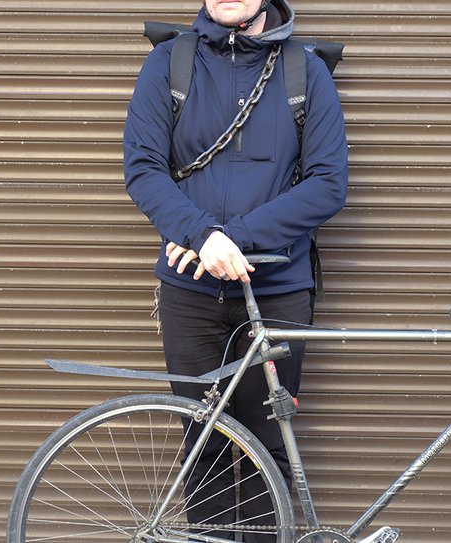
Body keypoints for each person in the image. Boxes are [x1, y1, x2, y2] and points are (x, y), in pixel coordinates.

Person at [122, 0, 348, 539]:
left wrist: (232, 240)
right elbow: (143, 167)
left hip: (278, 289)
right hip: (190, 291)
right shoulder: (169, 64)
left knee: (271, 449)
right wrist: (200, 236)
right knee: (204, 445)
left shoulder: (304, 70)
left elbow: (327, 183)